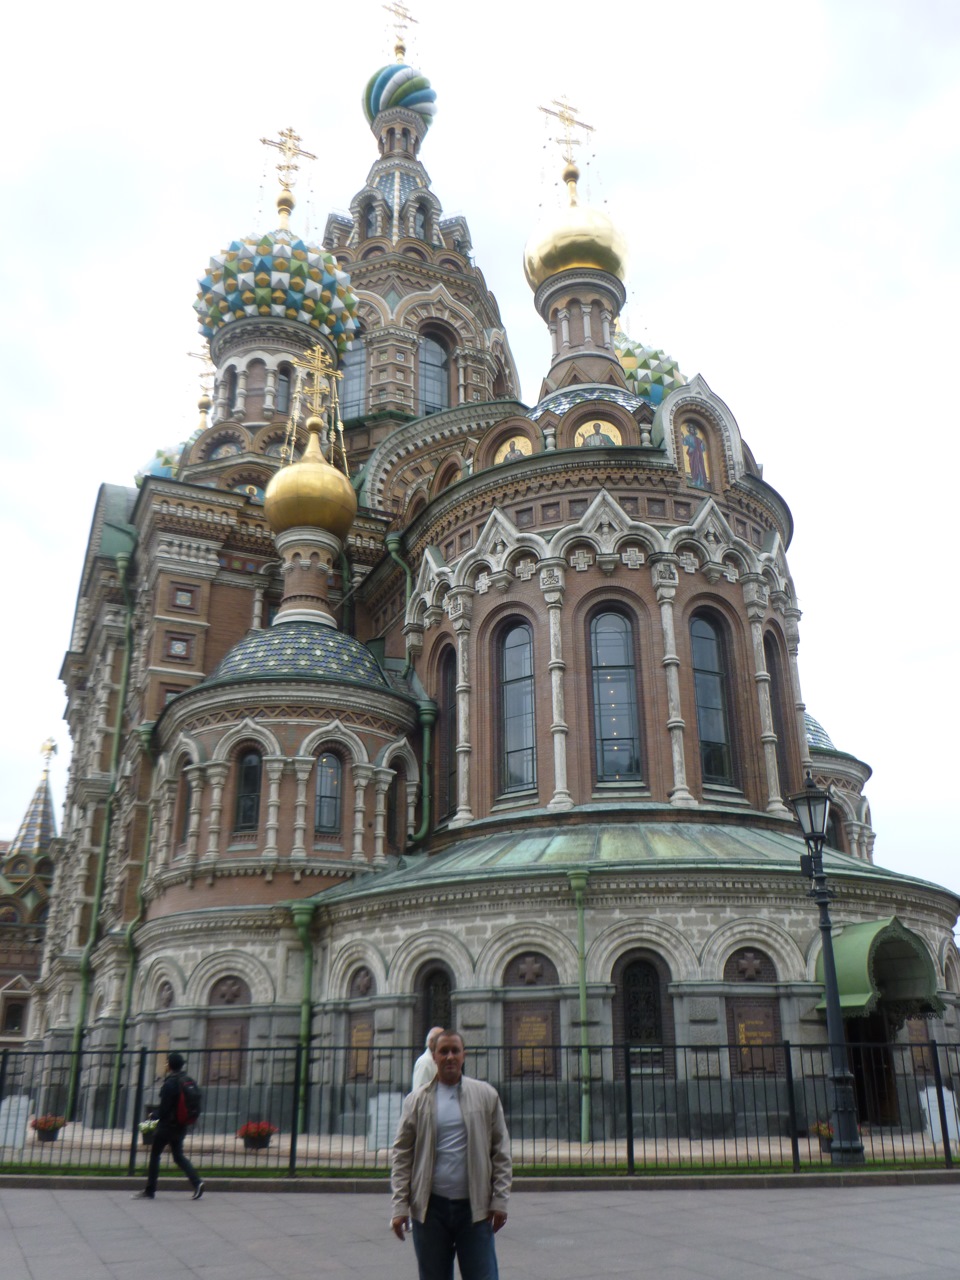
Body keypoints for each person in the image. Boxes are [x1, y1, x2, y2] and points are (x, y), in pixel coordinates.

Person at [391, 1030, 511, 1280]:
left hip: (474, 1210)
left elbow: (501, 1151)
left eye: (455, 1050)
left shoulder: (486, 1095)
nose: (449, 1057)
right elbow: (402, 1155)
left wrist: (500, 1199)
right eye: (443, 1051)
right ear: (434, 1057)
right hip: (430, 1210)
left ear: (464, 1055)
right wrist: (400, 1205)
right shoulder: (417, 1101)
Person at [132, 1051, 204, 1200]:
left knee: (155, 1156)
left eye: (166, 1063)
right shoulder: (188, 1079)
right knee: (178, 1156)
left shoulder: (171, 1082)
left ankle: (150, 1190)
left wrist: (153, 1115)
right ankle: (197, 1183)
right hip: (181, 1125)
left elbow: (165, 1108)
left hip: (167, 1127)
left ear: (170, 1065)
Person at [412, 1026, 445, 1091]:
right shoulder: (425, 1062)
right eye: (441, 1040)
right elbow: (419, 1092)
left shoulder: (435, 1060)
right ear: (431, 1042)